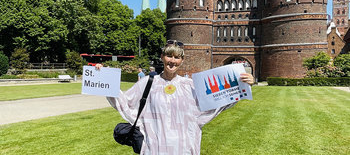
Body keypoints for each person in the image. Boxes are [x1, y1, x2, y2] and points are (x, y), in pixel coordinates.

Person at [105, 40, 254, 154]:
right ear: (162, 57)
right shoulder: (147, 84)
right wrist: (103, 77)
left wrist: (243, 85)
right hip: (155, 149)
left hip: (184, 149)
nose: (172, 61)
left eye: (177, 57)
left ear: (182, 60)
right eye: (169, 55)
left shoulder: (191, 86)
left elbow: (217, 101)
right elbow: (124, 101)